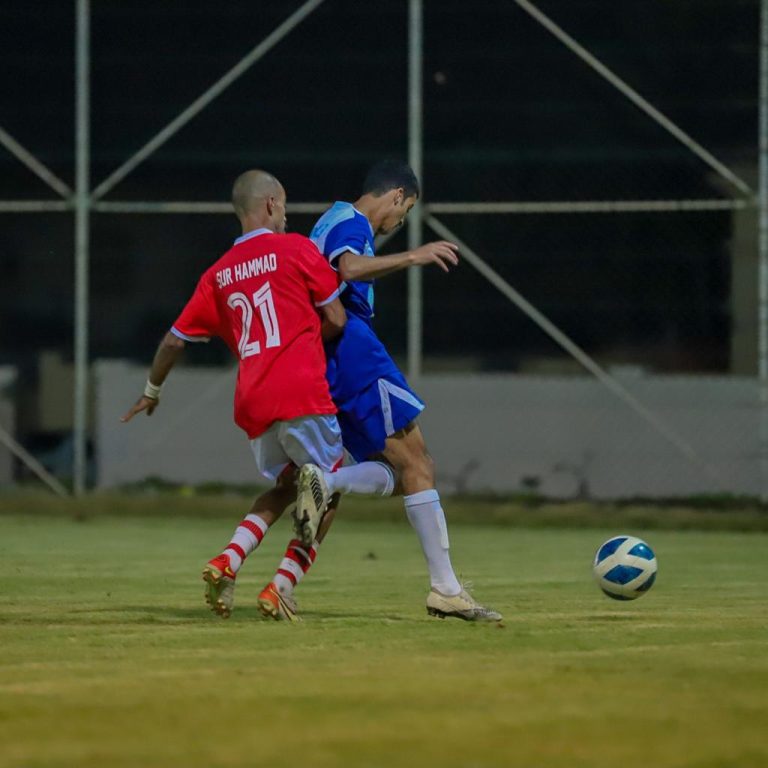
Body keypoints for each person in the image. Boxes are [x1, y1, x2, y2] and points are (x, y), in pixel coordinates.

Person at [121, 169, 395, 621]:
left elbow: (172, 341)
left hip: (253, 401)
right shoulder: (296, 249)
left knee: (287, 486)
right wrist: (305, 342)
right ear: (271, 204)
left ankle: (227, 559)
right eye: (283, 206)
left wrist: (152, 391)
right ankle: (282, 586)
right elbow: (337, 318)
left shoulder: (217, 274)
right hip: (300, 391)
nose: (286, 215)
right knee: (327, 490)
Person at [257, 159, 502, 622]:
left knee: (390, 473)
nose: (401, 222)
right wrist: (413, 256)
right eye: (405, 211)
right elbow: (349, 269)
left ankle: (282, 585)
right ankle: (446, 590)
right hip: (354, 354)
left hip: (323, 358)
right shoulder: (350, 222)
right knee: (418, 465)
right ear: (396, 196)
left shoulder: (330, 220)